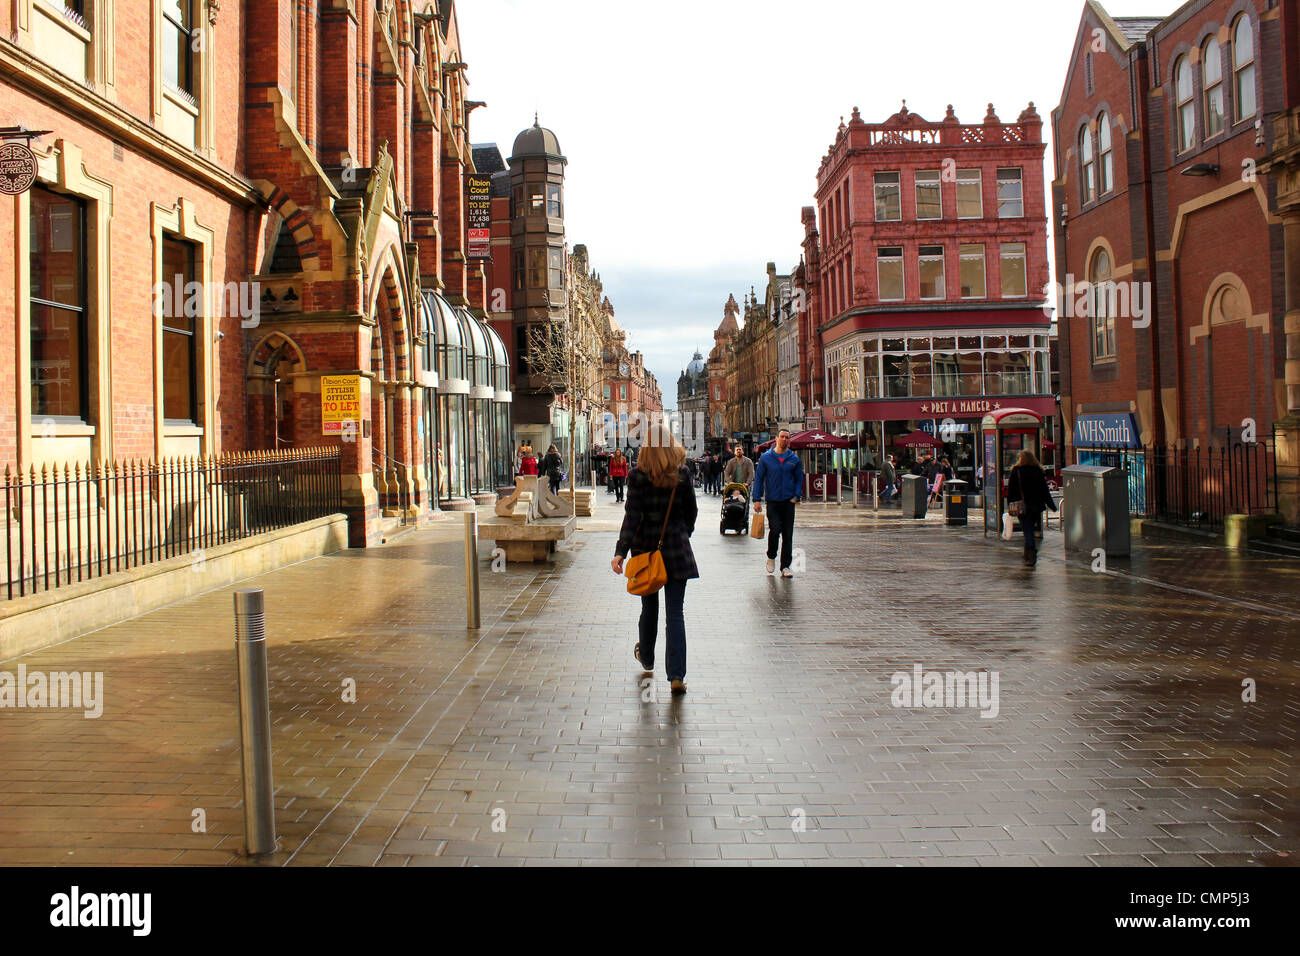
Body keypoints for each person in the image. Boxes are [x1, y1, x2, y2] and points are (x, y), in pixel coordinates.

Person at [611, 424, 698, 695]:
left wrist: (620, 552)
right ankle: (676, 676)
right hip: (676, 550)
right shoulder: (682, 474)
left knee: (649, 609)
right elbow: (691, 513)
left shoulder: (638, 476)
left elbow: (632, 517)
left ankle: (646, 657)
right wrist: (683, 534)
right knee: (675, 613)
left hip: (646, 552)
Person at [753, 429, 804, 578]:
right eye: (781, 437)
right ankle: (771, 555)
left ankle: (785, 566)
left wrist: (796, 495)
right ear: (776, 439)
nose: (784, 439)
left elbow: (799, 478)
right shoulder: (766, 458)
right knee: (775, 530)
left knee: (788, 534)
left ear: (789, 440)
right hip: (773, 501)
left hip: (789, 501)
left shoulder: (793, 459)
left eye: (786, 438)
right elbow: (759, 478)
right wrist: (756, 499)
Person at [1006, 449, 1057, 567]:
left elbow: (1011, 490)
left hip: (1021, 506)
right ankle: (1027, 553)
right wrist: (1052, 506)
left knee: (1027, 530)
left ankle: (1031, 554)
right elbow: (1045, 491)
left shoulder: (1016, 471)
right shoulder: (1038, 471)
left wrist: (1010, 504)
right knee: (1029, 530)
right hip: (1036, 507)